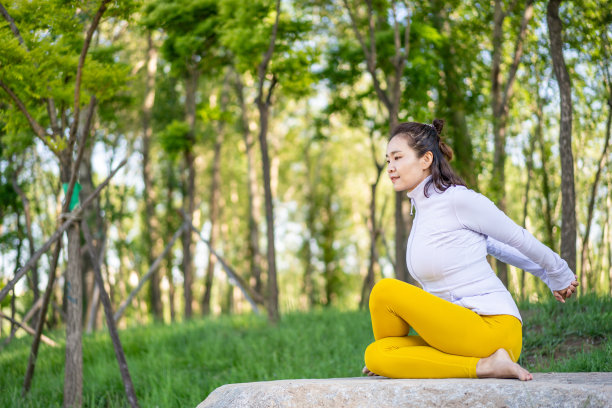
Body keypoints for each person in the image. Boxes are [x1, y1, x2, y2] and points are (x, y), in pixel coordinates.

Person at [362, 119, 578, 381]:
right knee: (377, 354)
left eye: (397, 157)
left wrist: (558, 272)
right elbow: (494, 247)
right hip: (457, 332)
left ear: (426, 159)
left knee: (385, 291)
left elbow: (516, 238)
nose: (391, 168)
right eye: (388, 161)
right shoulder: (423, 211)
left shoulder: (458, 200)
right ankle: (463, 365)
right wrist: (545, 275)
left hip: (493, 328)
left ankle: (488, 365)